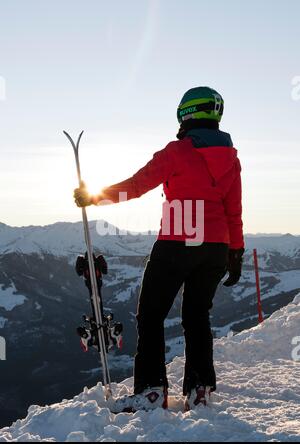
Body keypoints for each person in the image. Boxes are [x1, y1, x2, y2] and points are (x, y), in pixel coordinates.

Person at [74, 86, 244, 412]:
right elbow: (233, 210)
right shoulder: (231, 159)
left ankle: (151, 391)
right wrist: (234, 252)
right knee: (197, 316)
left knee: (151, 315)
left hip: (178, 243)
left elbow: (137, 186)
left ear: (187, 114)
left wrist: (95, 196)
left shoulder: (177, 152)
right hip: (215, 248)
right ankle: (199, 390)